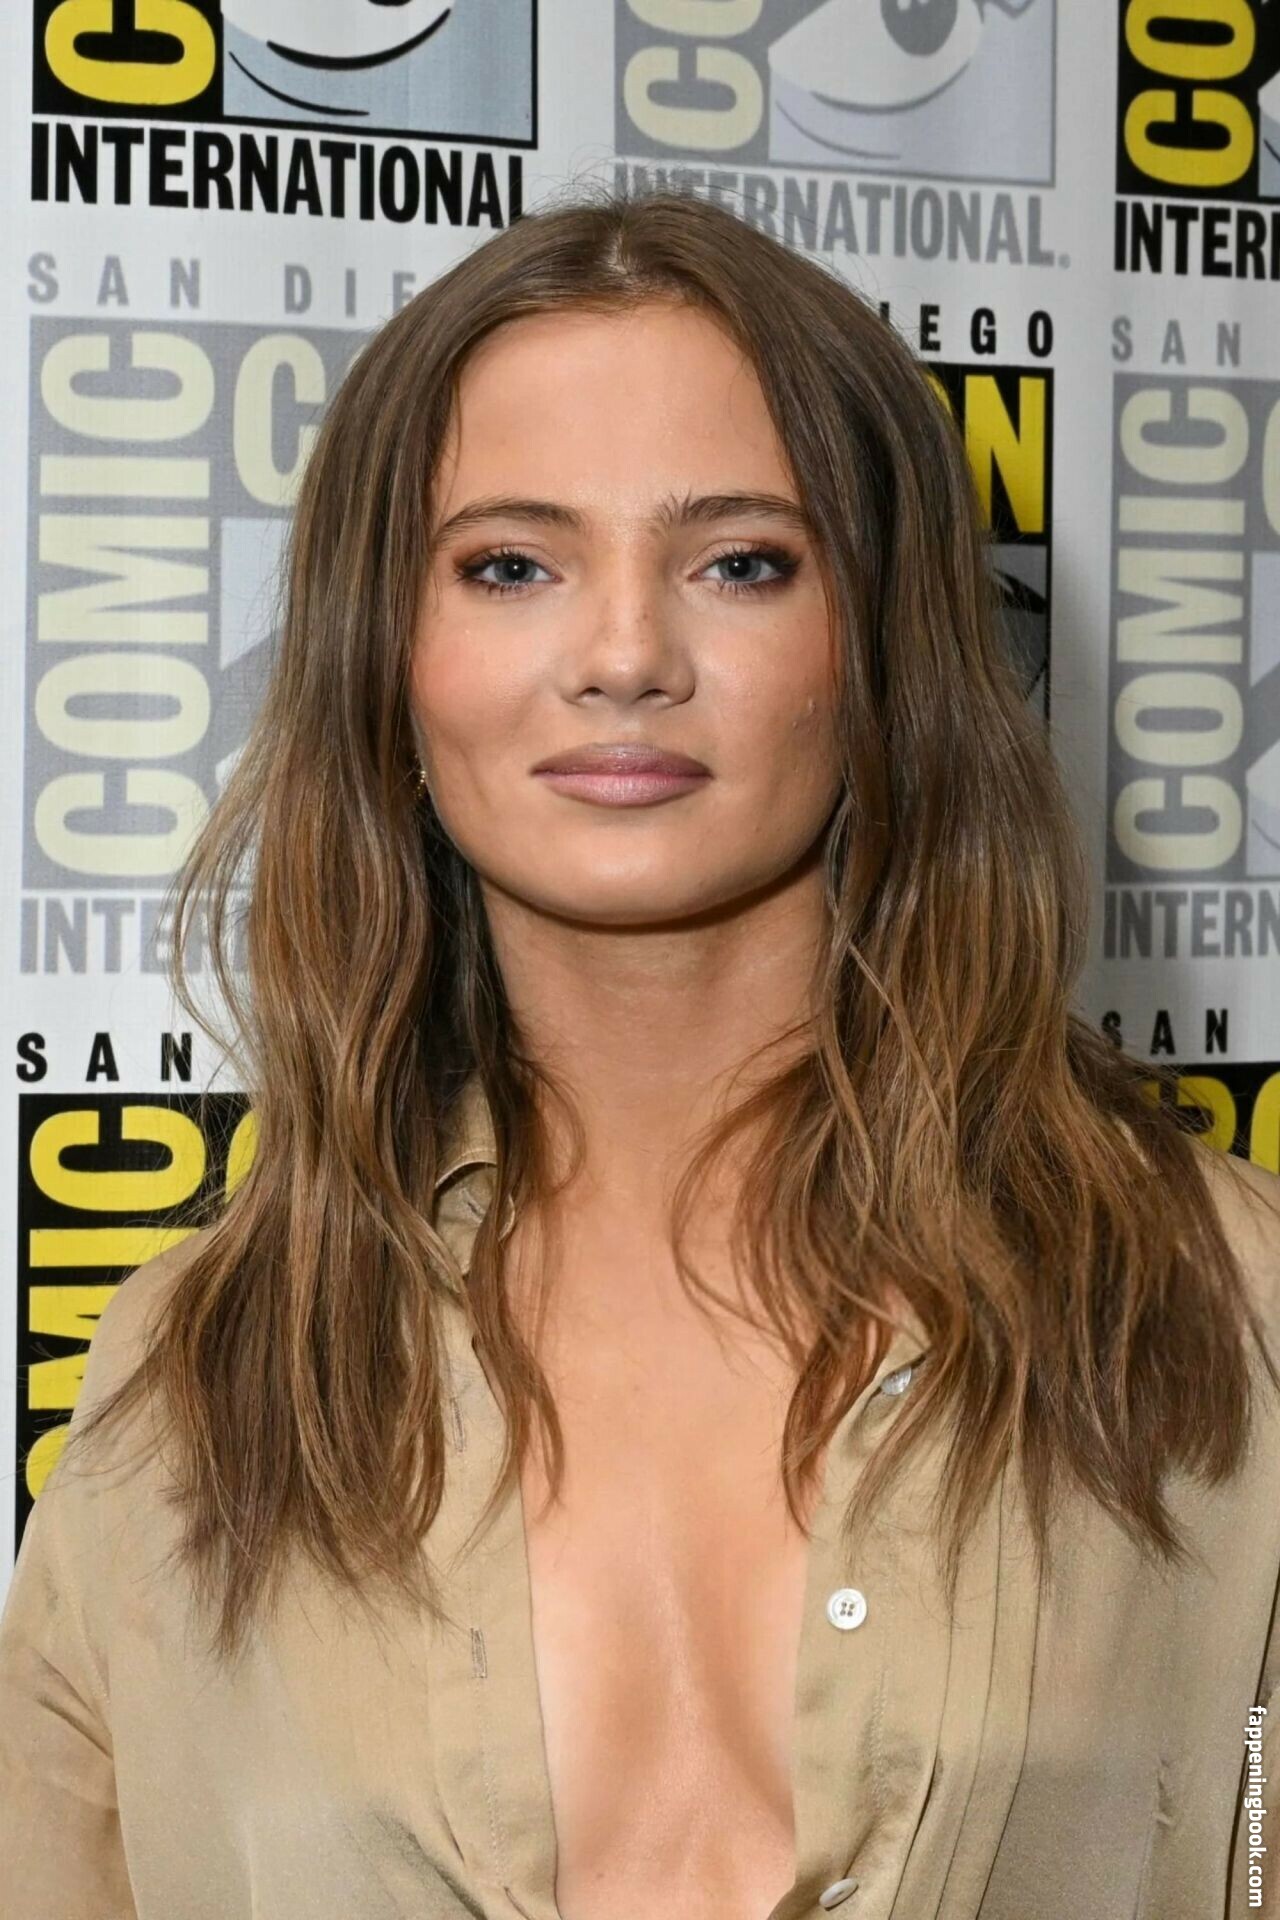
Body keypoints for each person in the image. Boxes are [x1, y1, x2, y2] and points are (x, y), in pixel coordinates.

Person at [1, 181, 1278, 1920]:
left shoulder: (1228, 1308)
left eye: (741, 562)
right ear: (391, 659)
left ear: (883, 651)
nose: (622, 656)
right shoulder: (193, 1388)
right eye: (511, 565)